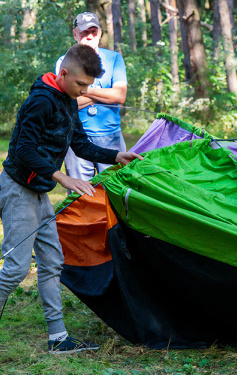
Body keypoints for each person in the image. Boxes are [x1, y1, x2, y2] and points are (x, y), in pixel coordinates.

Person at [0, 44, 143, 353]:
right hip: (18, 190)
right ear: (63, 74)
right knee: (15, 268)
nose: (85, 91)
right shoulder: (40, 101)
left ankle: (58, 339)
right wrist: (61, 176)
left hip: (38, 191)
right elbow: (23, 150)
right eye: (81, 84)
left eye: (89, 86)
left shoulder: (68, 100)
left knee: (52, 262)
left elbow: (79, 143)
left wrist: (116, 155)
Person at [56, 12, 128, 181]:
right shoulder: (64, 62)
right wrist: (105, 94)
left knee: (115, 190)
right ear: (75, 34)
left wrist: (83, 92)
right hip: (76, 138)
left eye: (93, 32)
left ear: (100, 34)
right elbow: (67, 103)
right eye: (84, 32)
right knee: (80, 196)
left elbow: (120, 95)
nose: (89, 36)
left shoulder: (114, 58)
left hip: (112, 137)